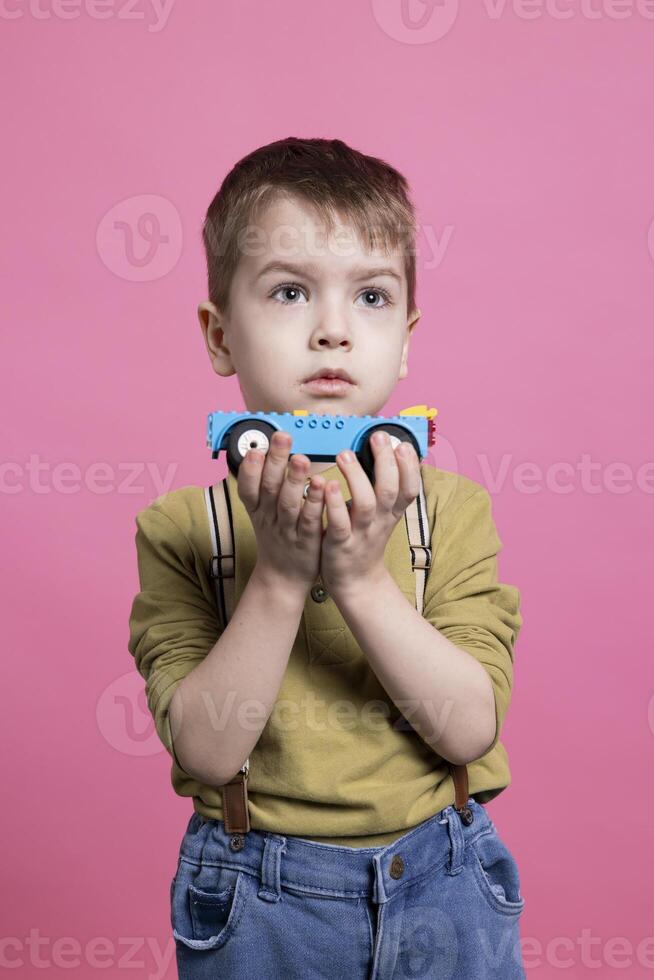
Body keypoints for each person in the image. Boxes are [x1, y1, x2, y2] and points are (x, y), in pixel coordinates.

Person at [127, 136, 526, 978]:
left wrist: (356, 576)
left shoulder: (450, 511)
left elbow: (468, 726)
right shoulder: (182, 529)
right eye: (289, 291)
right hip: (258, 899)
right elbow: (205, 750)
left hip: (444, 884)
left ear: (407, 340)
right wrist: (277, 575)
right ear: (220, 335)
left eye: (372, 297)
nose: (335, 332)